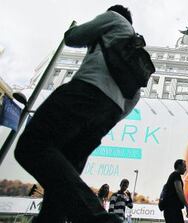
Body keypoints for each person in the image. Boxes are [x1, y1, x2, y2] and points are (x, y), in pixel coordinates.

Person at [14, 5, 141, 223]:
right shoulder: (134, 50)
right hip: (109, 113)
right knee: (66, 172)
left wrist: (73, 31)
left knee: (32, 145)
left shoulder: (114, 19)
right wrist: (110, 114)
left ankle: (98, 218)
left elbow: (74, 37)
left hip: (86, 91)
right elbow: (135, 97)